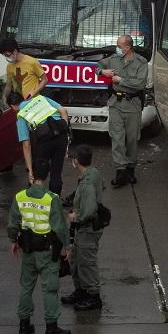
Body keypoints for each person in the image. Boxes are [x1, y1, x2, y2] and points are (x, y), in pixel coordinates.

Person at [8, 159, 72, 334]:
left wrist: (14, 241)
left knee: (26, 286)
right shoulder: (51, 199)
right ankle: (51, 329)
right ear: (47, 176)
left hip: (28, 250)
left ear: (31, 175)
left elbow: (13, 224)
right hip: (47, 252)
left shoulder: (20, 197)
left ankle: (24, 325)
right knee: (49, 289)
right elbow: (60, 227)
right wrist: (67, 247)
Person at [99, 34, 148, 187]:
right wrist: (103, 72)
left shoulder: (141, 62)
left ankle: (130, 168)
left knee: (132, 138)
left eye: (120, 46)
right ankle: (120, 171)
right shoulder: (113, 59)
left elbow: (140, 84)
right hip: (116, 104)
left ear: (128, 48)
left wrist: (121, 81)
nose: (117, 48)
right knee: (117, 137)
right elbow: (97, 66)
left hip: (133, 105)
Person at [62, 144, 104, 310]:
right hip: (84, 230)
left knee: (86, 263)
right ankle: (81, 291)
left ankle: (93, 297)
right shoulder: (93, 173)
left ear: (77, 161)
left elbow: (89, 209)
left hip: (87, 229)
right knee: (77, 261)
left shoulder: (87, 184)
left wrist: (75, 216)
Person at [7, 90, 70, 195]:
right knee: (56, 172)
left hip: (44, 142)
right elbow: (63, 110)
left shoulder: (21, 116)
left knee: (38, 173)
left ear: (13, 106)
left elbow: (26, 144)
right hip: (61, 138)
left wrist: (30, 170)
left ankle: (36, 199)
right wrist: (65, 130)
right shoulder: (41, 98)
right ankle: (55, 202)